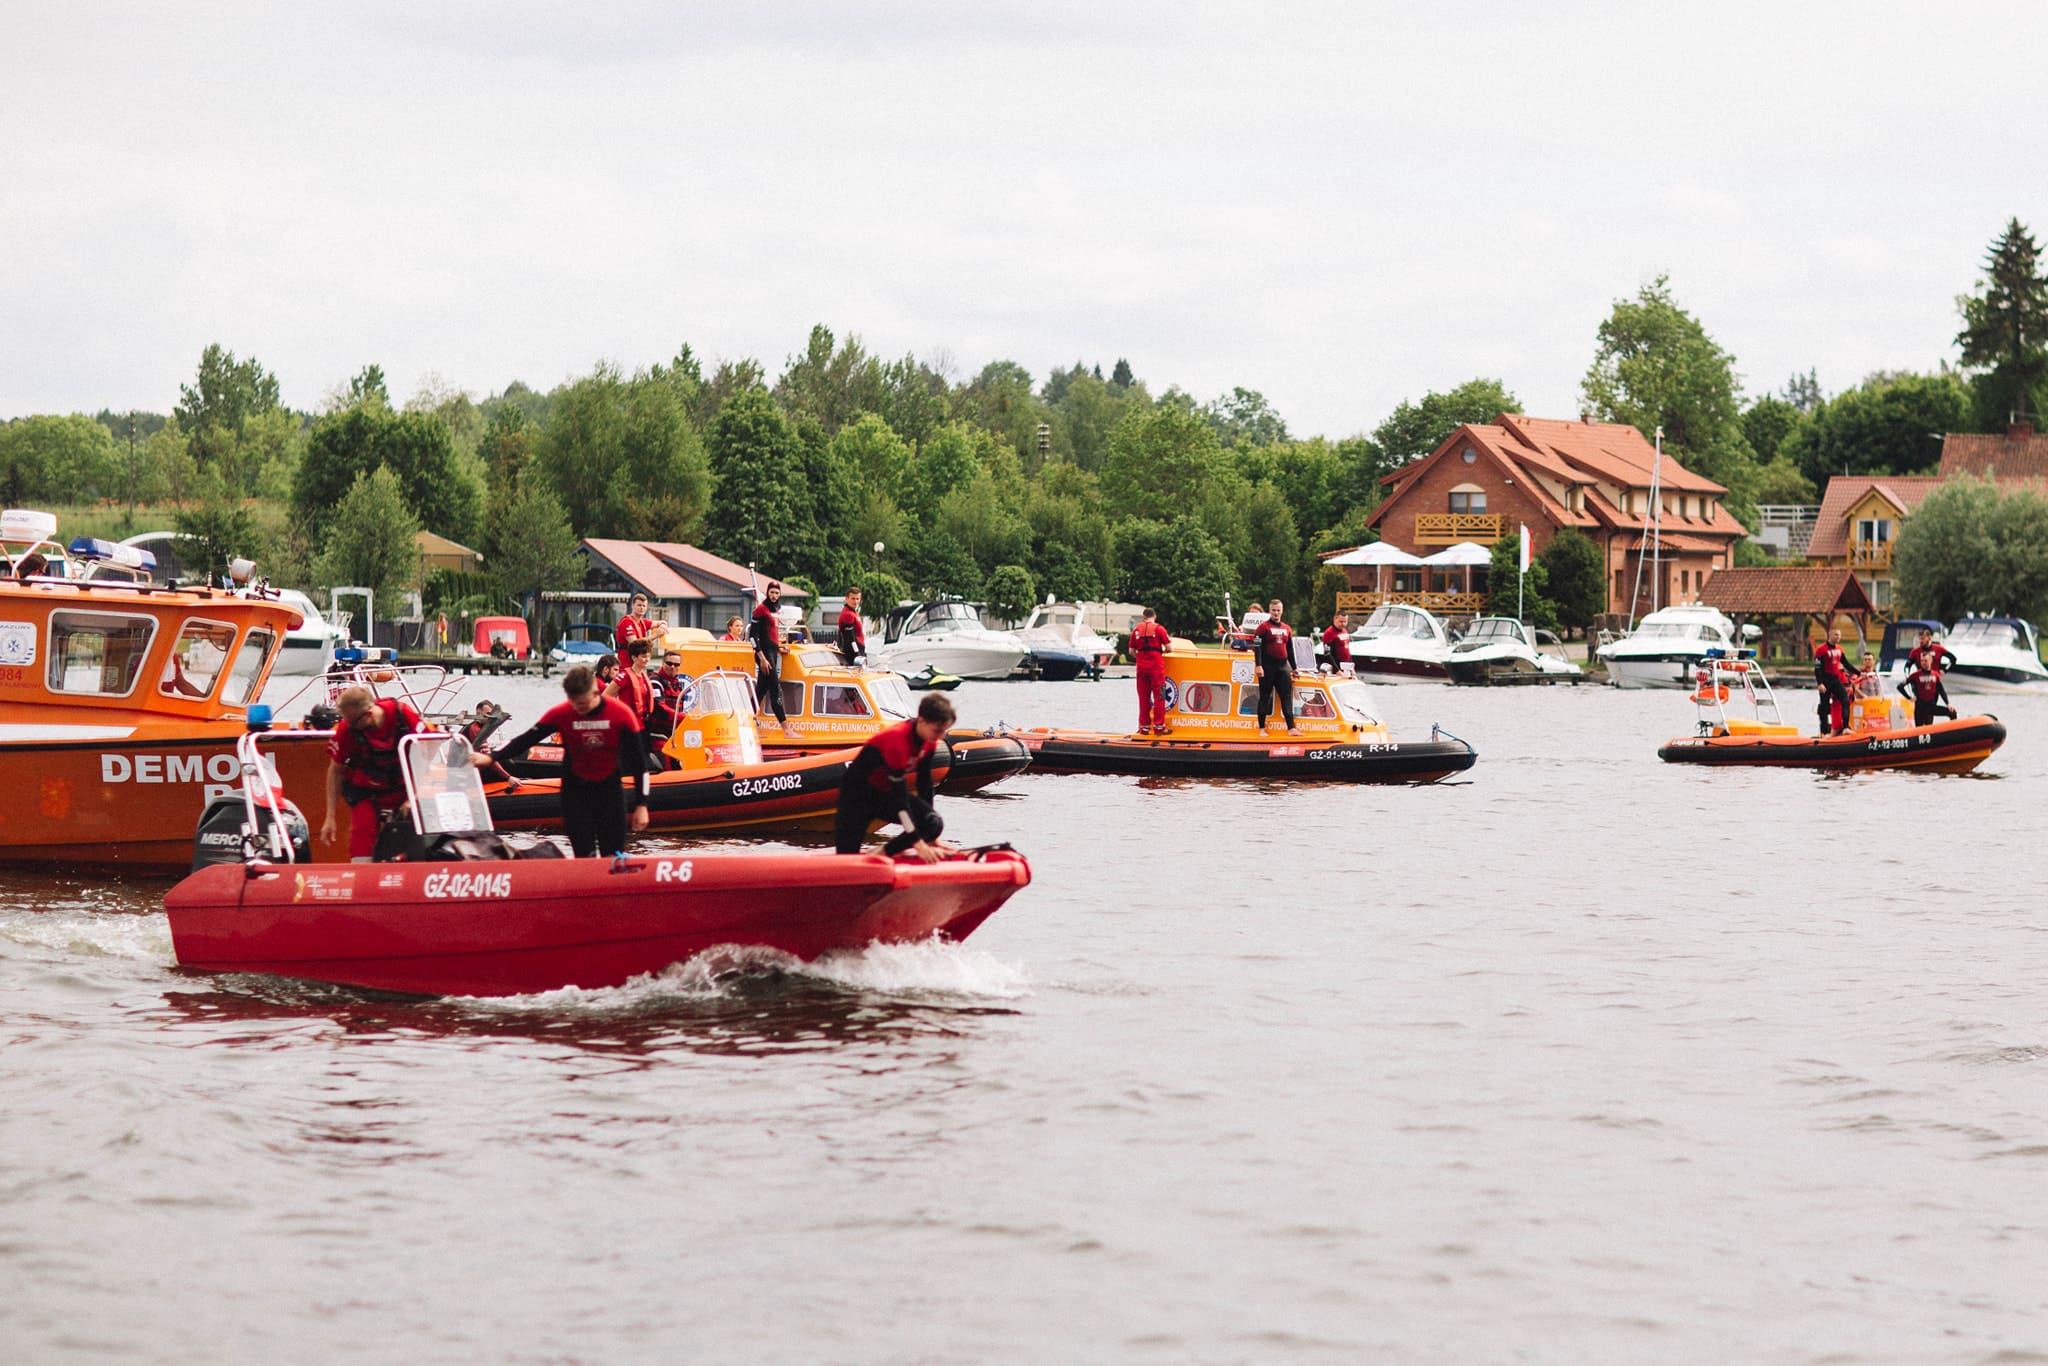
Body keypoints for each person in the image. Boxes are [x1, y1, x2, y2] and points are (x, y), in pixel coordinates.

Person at [487, 665, 651, 857]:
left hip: (609, 792)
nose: (578, 708)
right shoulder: (561, 713)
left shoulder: (621, 714)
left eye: (583, 703)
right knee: (584, 856)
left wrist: (642, 805)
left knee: (612, 855)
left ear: (596, 693)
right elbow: (524, 741)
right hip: (576, 794)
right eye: (574, 703)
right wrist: (491, 757)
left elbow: (640, 763)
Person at [835, 692, 959, 860]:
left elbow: (924, 786)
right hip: (856, 798)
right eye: (937, 730)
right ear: (921, 721)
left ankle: (883, 853)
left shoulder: (929, 744)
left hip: (883, 795)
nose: (940, 736)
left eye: (944, 731)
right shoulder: (897, 740)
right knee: (846, 857)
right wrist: (917, 842)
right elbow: (899, 798)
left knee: (932, 823)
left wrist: (930, 838)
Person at [321, 686, 424, 861]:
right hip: (368, 789)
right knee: (361, 829)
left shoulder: (403, 715)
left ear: (369, 714)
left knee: (419, 825)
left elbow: (427, 753)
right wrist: (330, 816)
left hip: (404, 786)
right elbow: (335, 770)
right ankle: (362, 873)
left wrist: (414, 796)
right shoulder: (347, 728)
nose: (349, 726)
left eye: (353, 722)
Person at [750, 583, 799, 736]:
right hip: (764, 655)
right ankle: (786, 729)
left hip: (772, 652)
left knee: (760, 691)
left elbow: (770, 635)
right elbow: (753, 637)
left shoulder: (776, 610)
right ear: (767, 593)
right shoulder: (761, 610)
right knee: (775, 689)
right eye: (771, 592)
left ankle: (747, 723)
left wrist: (778, 648)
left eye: (777, 593)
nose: (774, 596)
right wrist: (762, 658)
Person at [1251, 598, 1300, 735]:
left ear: (1282, 611)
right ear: (1269, 610)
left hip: (1283, 667)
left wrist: (1294, 667)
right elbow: (1257, 647)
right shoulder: (1263, 627)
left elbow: (1290, 650)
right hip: (1267, 667)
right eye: (1273, 610)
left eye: (1278, 610)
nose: (1276, 613)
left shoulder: (1287, 628)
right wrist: (1258, 665)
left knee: (1286, 696)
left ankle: (1291, 728)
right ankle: (1261, 728)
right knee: (1265, 697)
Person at [1128, 606, 1172, 735]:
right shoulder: (1159, 629)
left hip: (1141, 669)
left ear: (1143, 617)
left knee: (1143, 698)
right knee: (1160, 697)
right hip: (1157, 669)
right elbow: (1169, 648)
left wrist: (1141, 657)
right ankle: (1159, 727)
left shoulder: (1136, 630)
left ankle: (1144, 727)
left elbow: (1131, 651)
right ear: (1155, 616)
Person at [1898, 653, 1956, 728]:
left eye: (1925, 660)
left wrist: (1948, 704)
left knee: (1952, 713)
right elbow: (1900, 686)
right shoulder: (1915, 675)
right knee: (1920, 731)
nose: (1923, 663)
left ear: (1931, 661)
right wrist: (1909, 697)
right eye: (1922, 661)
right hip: (1920, 708)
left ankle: (1952, 735)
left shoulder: (1936, 675)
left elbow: (1941, 690)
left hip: (1931, 707)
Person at [1813, 626, 1852, 736]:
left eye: (1839, 635)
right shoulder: (1821, 649)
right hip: (1825, 680)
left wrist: (1859, 673)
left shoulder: (1839, 649)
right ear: (1830, 635)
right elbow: (1817, 668)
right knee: (1824, 706)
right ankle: (1824, 731)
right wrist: (1819, 683)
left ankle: (1845, 727)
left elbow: (1846, 664)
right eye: (1836, 635)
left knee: (1845, 699)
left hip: (1835, 680)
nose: (1838, 637)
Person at [646, 648, 687, 750]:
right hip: (657, 734)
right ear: (663, 663)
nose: (673, 667)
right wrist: (684, 717)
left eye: (676, 665)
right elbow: (659, 709)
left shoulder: (678, 685)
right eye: (669, 663)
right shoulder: (654, 681)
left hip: (674, 734)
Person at [836, 587, 867, 665]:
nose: (855, 601)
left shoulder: (853, 612)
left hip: (858, 648)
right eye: (853, 599)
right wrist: (857, 655)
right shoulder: (848, 614)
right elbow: (850, 638)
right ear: (847, 599)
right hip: (853, 653)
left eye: (858, 599)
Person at [1320, 611, 1353, 675]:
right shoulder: (1329, 633)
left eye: (1345, 622)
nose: (1343, 624)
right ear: (1335, 619)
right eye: (1341, 622)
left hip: (1346, 667)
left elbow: (1347, 650)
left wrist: (1352, 668)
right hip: (1336, 667)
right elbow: (1327, 654)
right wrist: (1337, 670)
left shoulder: (1344, 631)